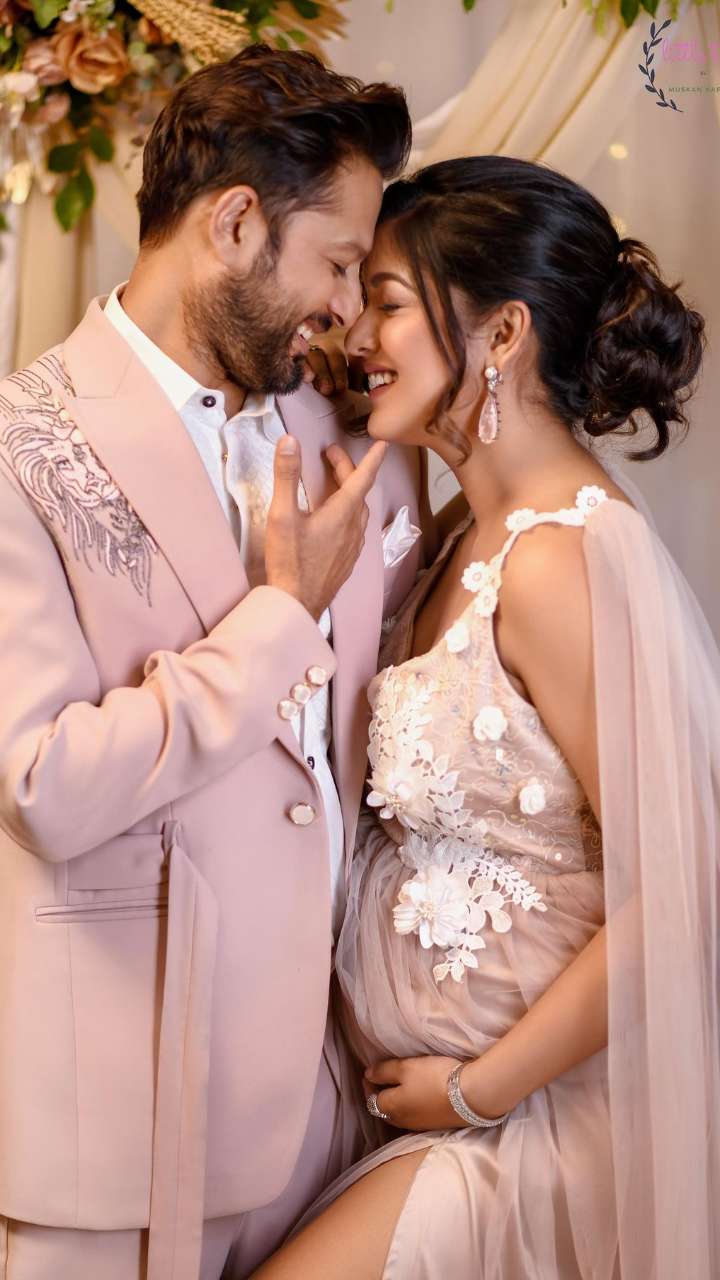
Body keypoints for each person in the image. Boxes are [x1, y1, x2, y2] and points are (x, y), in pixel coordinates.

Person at [0, 46, 432, 1280]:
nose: (347, 308)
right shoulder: (21, 446)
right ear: (235, 224)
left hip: (337, 1115)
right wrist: (279, 614)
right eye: (336, 263)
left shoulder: (352, 429)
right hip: (119, 1127)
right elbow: (46, 783)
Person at [252, 156, 720, 1280]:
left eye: (389, 301)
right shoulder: (460, 525)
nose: (358, 330)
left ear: (503, 332)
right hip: (419, 1117)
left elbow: (685, 892)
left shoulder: (565, 560)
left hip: (527, 1131)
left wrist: (480, 1086)